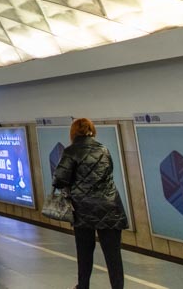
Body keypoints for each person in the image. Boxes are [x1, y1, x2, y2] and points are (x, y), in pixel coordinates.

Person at [53, 118, 128, 289]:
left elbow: (59, 179)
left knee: (85, 252)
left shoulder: (71, 151)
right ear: (92, 130)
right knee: (113, 254)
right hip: (110, 206)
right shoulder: (104, 149)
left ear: (73, 132)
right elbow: (109, 171)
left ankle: (83, 285)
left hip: (83, 208)